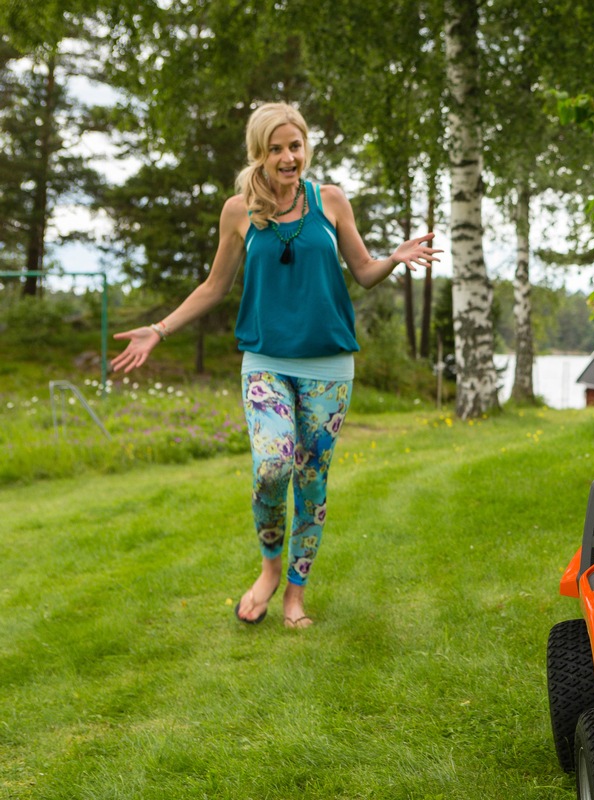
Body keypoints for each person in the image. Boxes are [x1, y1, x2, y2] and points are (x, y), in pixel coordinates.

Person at [111, 102, 440, 630]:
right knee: (272, 467)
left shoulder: (329, 200)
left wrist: (392, 259)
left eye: (296, 145)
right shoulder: (237, 211)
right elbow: (214, 287)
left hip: (330, 366)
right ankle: (268, 570)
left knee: (312, 482)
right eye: (277, 149)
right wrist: (160, 328)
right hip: (264, 361)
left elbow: (363, 272)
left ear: (306, 146)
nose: (289, 157)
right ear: (258, 154)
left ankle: (295, 594)